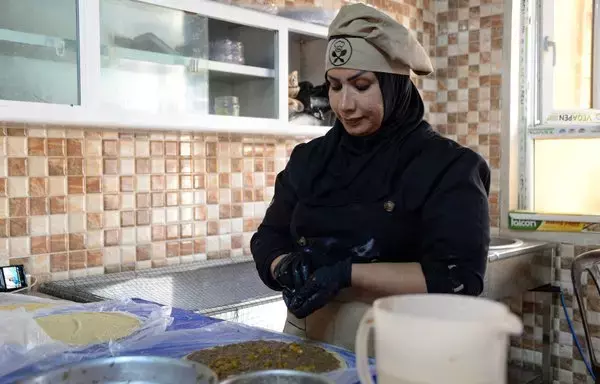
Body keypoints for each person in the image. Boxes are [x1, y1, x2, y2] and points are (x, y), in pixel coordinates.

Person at [251, 3, 490, 351]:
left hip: (403, 345)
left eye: (361, 86)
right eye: (334, 86)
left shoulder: (448, 167)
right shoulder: (309, 160)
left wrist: (346, 275)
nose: (344, 104)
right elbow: (268, 237)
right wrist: (284, 265)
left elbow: (458, 277)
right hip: (307, 336)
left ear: (395, 87)